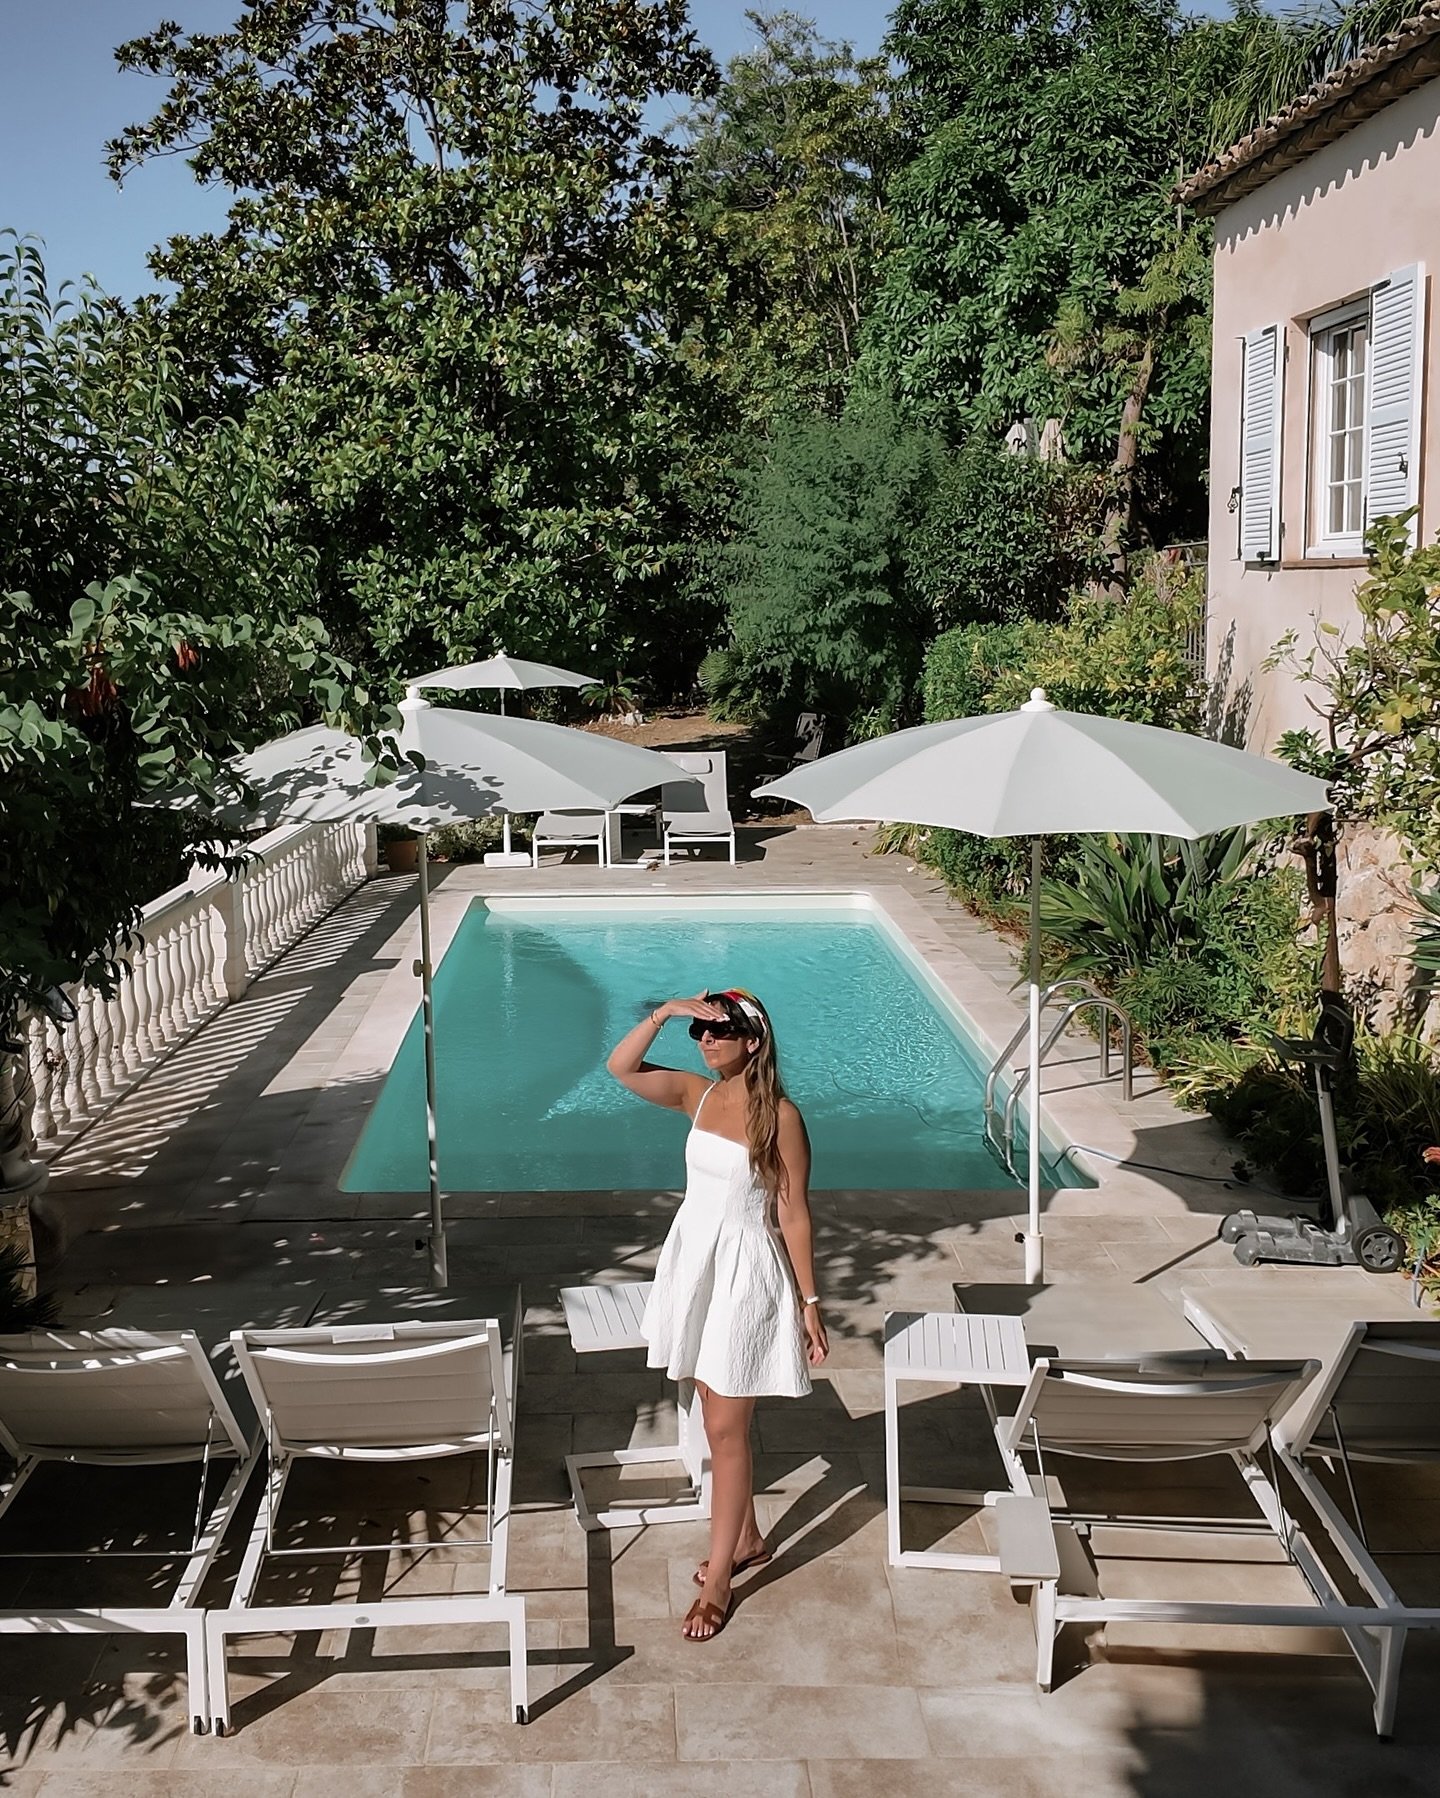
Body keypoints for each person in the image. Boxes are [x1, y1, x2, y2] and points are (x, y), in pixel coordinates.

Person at [606, 986, 827, 1642]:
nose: (705, 1043)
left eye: (719, 1031)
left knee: (726, 1430)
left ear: (752, 1040)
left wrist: (810, 1303)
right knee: (711, 1414)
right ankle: (751, 1537)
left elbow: (793, 1212)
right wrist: (665, 1013)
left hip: (744, 1274)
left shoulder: (781, 1116)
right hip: (695, 1263)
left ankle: (724, 1580)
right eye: (698, 1034)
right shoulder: (695, 1095)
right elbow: (619, 1068)